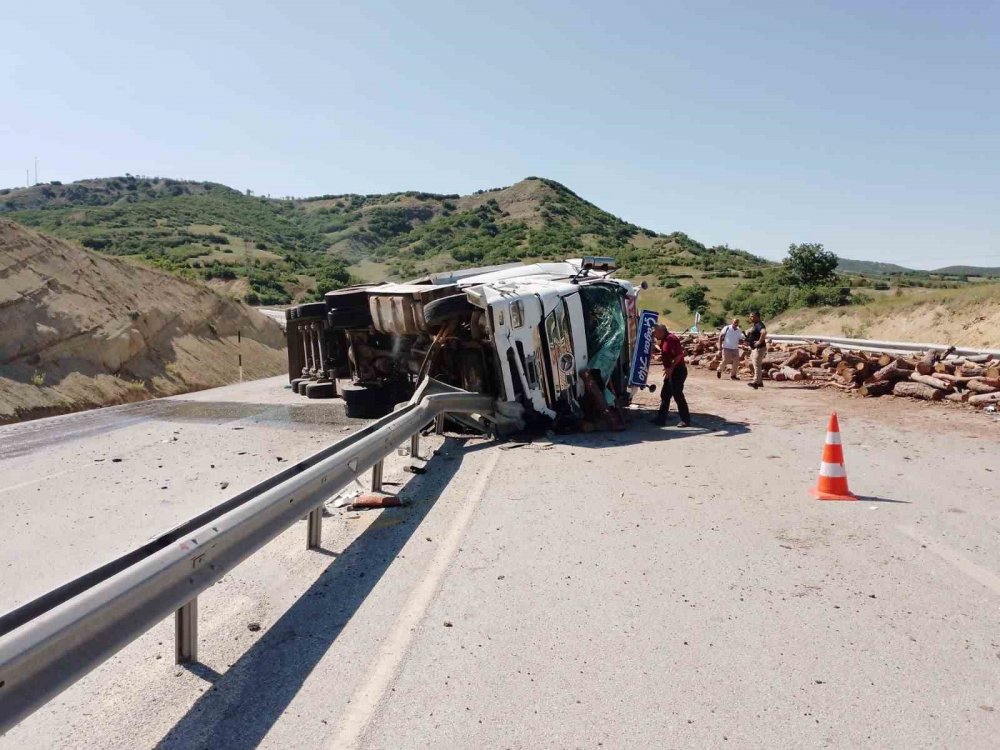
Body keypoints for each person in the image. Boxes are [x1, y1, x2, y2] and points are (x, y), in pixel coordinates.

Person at [651, 324, 691, 427]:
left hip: (678, 371)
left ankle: (685, 420)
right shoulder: (664, 340)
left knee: (677, 394)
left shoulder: (671, 339)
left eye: (655, 332)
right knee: (665, 394)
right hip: (671, 371)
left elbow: (679, 355)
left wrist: (671, 368)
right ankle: (661, 419)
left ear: (661, 331)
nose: (654, 334)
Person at [745, 310, 768, 389]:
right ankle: (760, 382)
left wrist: (759, 341)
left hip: (759, 348)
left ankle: (756, 382)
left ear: (757, 317)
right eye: (750, 316)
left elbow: (764, 332)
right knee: (756, 365)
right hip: (756, 348)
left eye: (752, 316)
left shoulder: (759, 324)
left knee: (757, 365)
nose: (751, 318)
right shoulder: (756, 325)